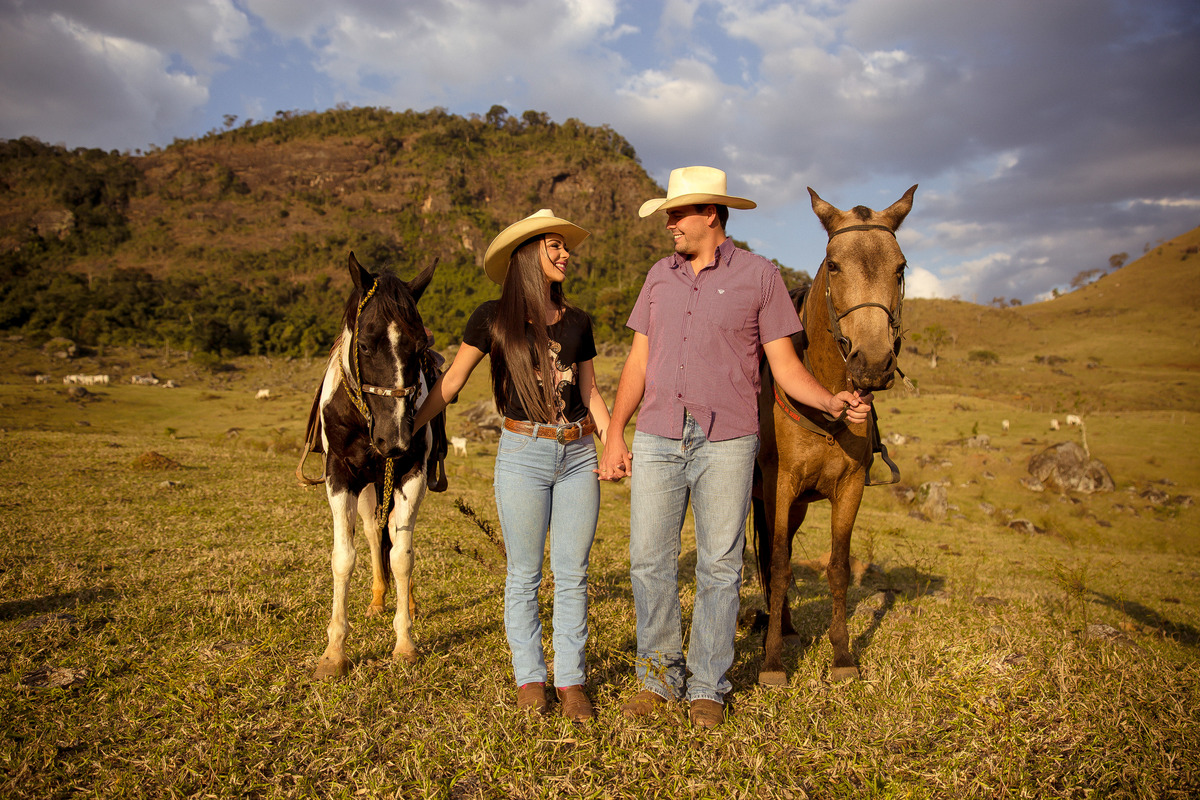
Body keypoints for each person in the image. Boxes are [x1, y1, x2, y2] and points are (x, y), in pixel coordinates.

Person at [597, 166, 872, 729]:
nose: (669, 223)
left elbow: (786, 367)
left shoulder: (760, 276)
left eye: (678, 213)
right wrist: (613, 431)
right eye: (669, 213)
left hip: (728, 440)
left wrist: (834, 402)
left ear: (712, 215)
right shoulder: (658, 277)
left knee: (722, 568)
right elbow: (638, 361)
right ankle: (657, 679)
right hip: (657, 433)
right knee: (650, 562)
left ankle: (707, 686)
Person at [414, 209, 611, 722]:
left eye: (565, 247)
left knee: (572, 574)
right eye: (554, 245)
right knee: (524, 574)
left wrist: (615, 443)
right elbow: (453, 383)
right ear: (527, 254)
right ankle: (531, 678)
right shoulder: (490, 317)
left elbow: (590, 391)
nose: (565, 254)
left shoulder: (578, 322)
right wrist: (408, 427)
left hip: (578, 453)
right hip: (522, 454)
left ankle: (571, 680)